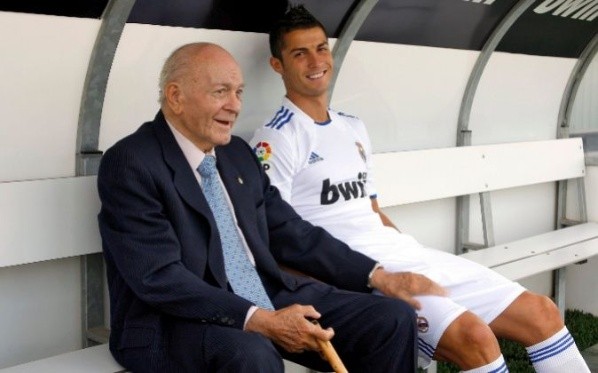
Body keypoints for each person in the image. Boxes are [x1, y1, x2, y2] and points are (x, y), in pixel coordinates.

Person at [249, 4, 591, 373]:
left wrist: (409, 250)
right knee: (474, 339)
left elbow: (373, 210)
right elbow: (275, 235)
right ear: (278, 66)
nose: (315, 60)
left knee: (541, 312)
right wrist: (337, 292)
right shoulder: (277, 137)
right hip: (360, 274)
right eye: (299, 53)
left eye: (320, 48)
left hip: (406, 256)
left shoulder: (352, 126)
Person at [96, 41, 427, 373]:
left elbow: (291, 231)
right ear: (176, 96)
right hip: (175, 320)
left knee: (390, 319)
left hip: (264, 293)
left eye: (239, 92)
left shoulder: (236, 153)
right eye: (221, 92)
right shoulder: (132, 163)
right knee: (252, 352)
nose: (234, 105)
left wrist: (375, 275)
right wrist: (259, 320)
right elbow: (158, 277)